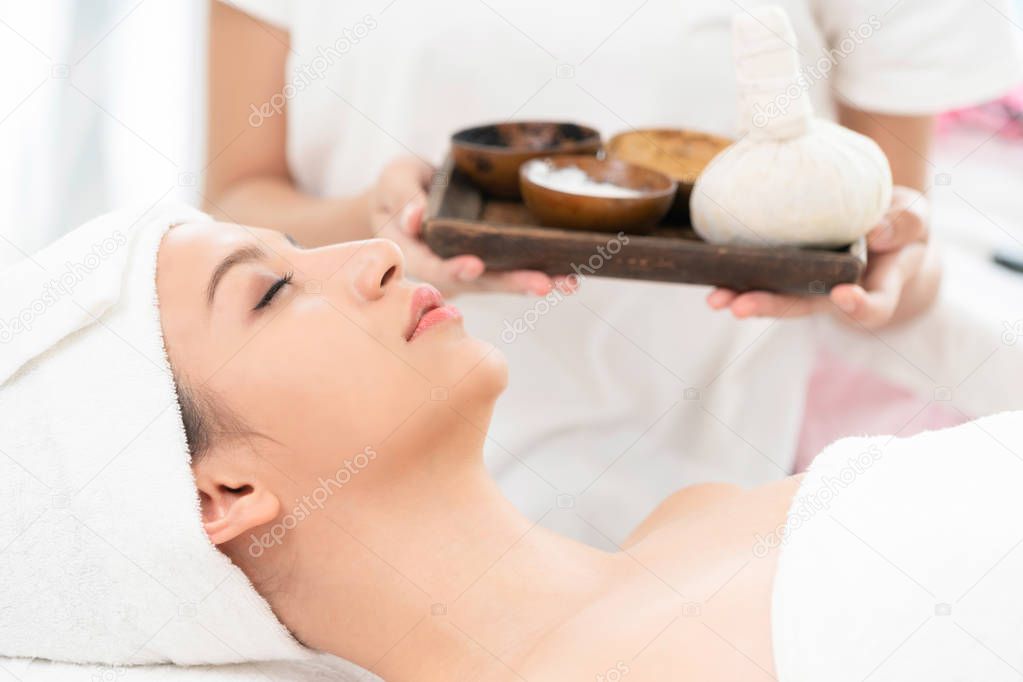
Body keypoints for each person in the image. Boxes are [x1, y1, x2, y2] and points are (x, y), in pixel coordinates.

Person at [6, 210, 1022, 680]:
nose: (370, 254)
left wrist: (897, 284)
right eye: (270, 292)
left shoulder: (695, 520)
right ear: (217, 491)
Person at [203, 0, 1023, 545]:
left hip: (697, 510)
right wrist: (377, 227)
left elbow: (887, 241)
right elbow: (237, 203)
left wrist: (875, 270)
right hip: (355, 498)